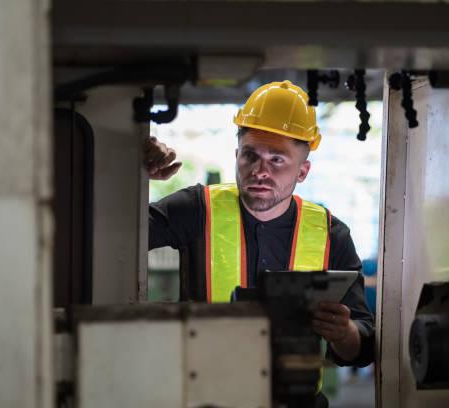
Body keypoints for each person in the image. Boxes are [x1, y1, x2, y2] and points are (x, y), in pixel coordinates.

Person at [145, 80, 374, 402]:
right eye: (250, 155)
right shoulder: (194, 209)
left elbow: (363, 346)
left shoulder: (331, 233)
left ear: (303, 171)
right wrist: (134, 173)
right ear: (237, 154)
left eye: (277, 159)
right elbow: (110, 239)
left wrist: (345, 333)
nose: (259, 171)